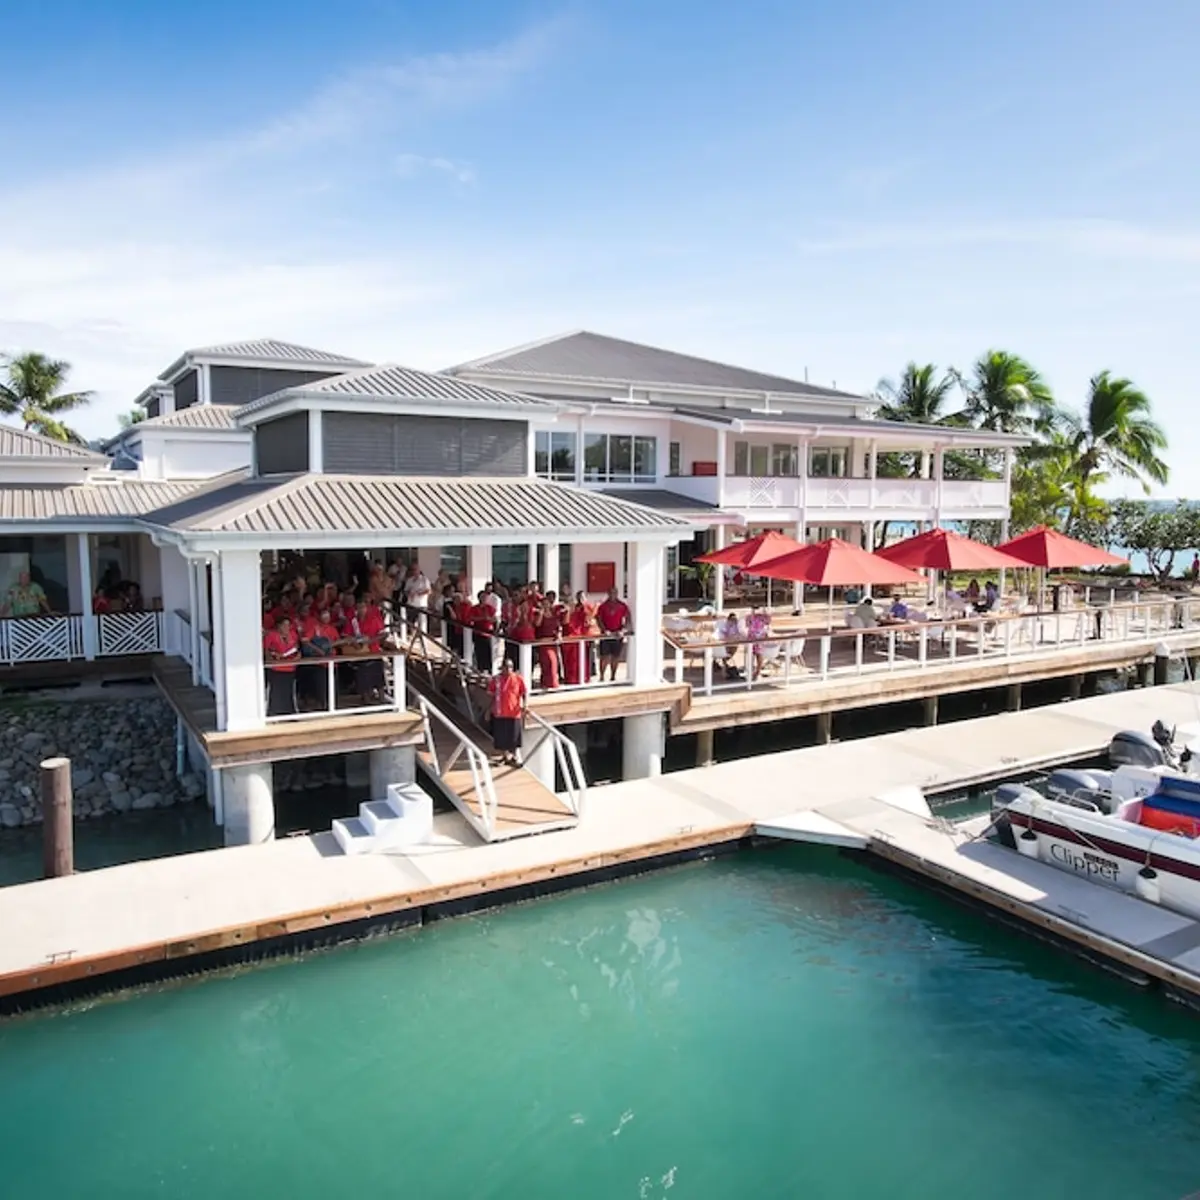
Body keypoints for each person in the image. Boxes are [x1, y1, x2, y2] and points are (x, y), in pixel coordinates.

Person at [487, 658, 527, 766]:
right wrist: (489, 709)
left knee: (514, 736)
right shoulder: (496, 679)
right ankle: (505, 756)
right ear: (502, 668)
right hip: (500, 712)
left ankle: (514, 757)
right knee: (501, 736)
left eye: (510, 667)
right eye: (506, 667)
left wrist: (525, 705)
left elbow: (524, 692)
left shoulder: (518, 679)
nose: (508, 669)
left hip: (514, 712)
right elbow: (491, 695)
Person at [263, 615, 299, 716]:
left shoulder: (293, 635)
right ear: (278, 626)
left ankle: (289, 713)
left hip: (290, 668)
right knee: (275, 693)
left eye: (288, 625)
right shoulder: (271, 635)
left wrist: (296, 657)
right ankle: (274, 713)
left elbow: (297, 649)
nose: (286, 628)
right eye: (284, 625)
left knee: (289, 692)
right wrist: (273, 657)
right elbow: (267, 651)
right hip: (276, 669)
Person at [596, 587, 631, 682]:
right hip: (606, 634)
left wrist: (623, 630)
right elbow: (598, 619)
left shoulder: (622, 605)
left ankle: (613, 676)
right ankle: (602, 676)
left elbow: (628, 618)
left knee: (616, 656)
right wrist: (604, 630)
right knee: (604, 657)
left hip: (617, 634)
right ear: (608, 593)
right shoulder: (603, 606)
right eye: (611, 593)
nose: (613, 595)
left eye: (615, 593)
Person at [563, 592, 595, 685]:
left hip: (581, 636)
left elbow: (588, 618)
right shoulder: (568, 611)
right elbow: (565, 623)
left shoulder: (583, 609)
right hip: (570, 638)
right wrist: (568, 611)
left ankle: (583, 678)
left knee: (582, 659)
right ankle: (571, 680)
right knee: (571, 661)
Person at [535, 593, 563, 689]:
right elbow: (537, 625)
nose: (546, 605)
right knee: (546, 662)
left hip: (553, 642)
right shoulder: (539, 614)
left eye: (547, 603)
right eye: (544, 604)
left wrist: (559, 634)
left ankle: (553, 683)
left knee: (554, 662)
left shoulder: (554, 614)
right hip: (543, 642)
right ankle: (545, 683)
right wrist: (541, 614)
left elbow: (559, 626)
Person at [471, 589, 497, 673]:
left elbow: (494, 618)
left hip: (487, 633)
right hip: (477, 632)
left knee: (488, 651)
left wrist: (490, 620)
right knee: (479, 651)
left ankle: (489, 669)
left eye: (485, 597)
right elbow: (471, 618)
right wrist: (482, 618)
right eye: (483, 597)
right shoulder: (474, 608)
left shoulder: (490, 608)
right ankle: (480, 669)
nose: (484, 599)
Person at [404, 563, 432, 629]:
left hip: (421, 604)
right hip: (411, 604)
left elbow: (429, 591)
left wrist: (419, 593)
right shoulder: (409, 580)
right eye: (412, 570)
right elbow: (405, 590)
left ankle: (423, 636)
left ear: (419, 570)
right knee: (411, 621)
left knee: (422, 622)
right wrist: (409, 593)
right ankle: (412, 634)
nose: (414, 571)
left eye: (415, 569)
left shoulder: (424, 579)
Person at [718, 610, 742, 678]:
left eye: (734, 619)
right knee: (727, 652)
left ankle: (726, 667)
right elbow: (723, 633)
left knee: (730, 652)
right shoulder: (726, 625)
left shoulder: (737, 626)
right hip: (726, 643)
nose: (733, 620)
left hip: (733, 643)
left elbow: (739, 633)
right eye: (732, 619)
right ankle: (725, 667)